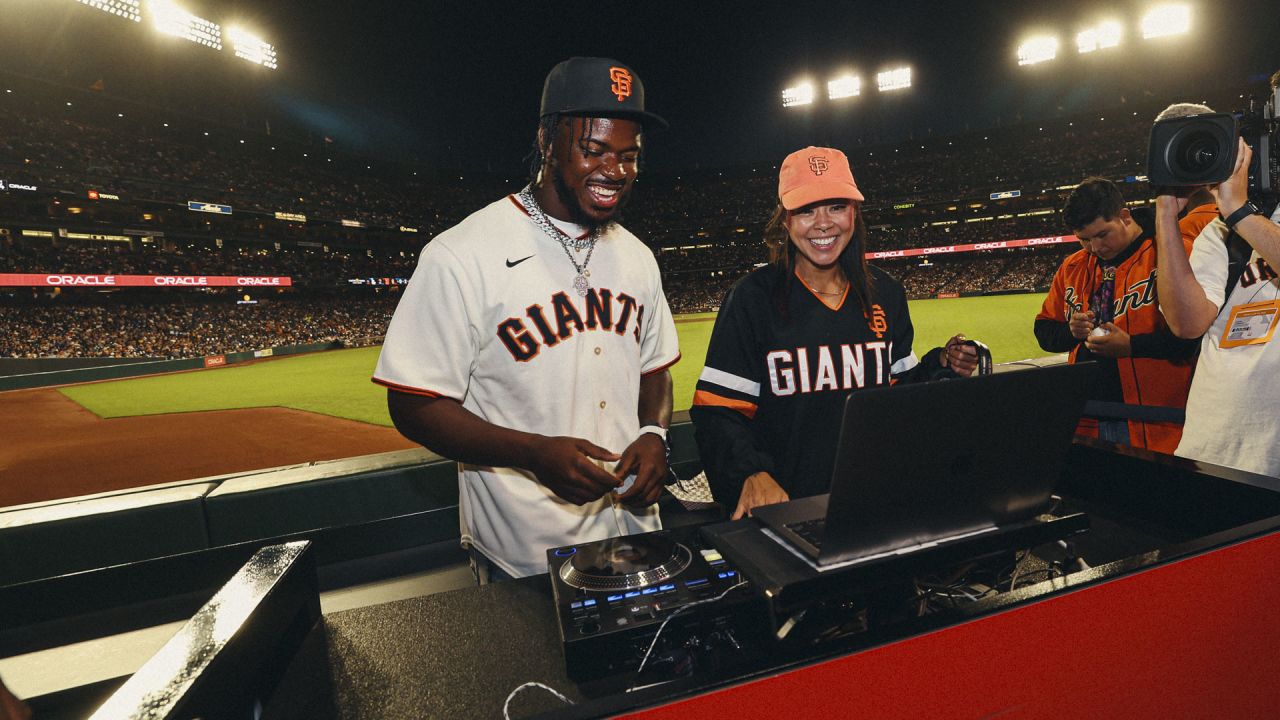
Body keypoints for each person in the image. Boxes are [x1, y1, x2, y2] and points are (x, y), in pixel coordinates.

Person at [372, 57, 680, 579]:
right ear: (547, 140)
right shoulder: (462, 254)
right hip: (525, 551)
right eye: (595, 149)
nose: (616, 171)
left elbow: (655, 369)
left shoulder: (637, 256)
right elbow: (412, 402)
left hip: (636, 534)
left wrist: (654, 432)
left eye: (630, 156)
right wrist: (534, 453)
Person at [690, 146, 978, 520]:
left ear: (854, 214)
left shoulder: (885, 292)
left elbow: (899, 397)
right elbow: (717, 411)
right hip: (786, 511)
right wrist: (750, 473)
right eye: (806, 210)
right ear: (785, 220)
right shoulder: (751, 299)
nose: (823, 223)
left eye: (836, 207)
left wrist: (940, 364)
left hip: (875, 501)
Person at [1154, 73, 1280, 477]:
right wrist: (1166, 216)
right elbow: (1187, 324)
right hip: (1213, 447)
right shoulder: (1220, 232)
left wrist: (1241, 212)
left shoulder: (1238, 219)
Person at [1034, 177, 1198, 452]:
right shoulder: (1072, 266)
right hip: (1089, 416)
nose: (1095, 247)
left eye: (1102, 234)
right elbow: (1044, 330)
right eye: (1084, 239)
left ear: (1124, 216)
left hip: (1160, 420)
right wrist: (1070, 332)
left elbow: (1194, 338)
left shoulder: (1172, 252)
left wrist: (1131, 346)